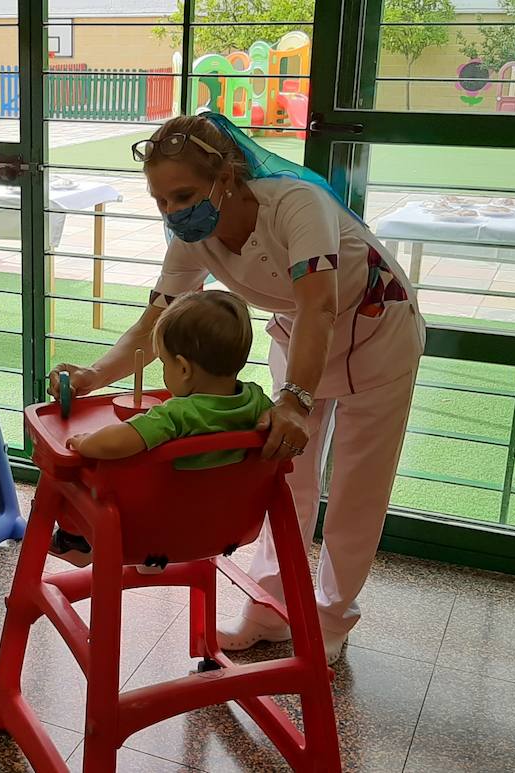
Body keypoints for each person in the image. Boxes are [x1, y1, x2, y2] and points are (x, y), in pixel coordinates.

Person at [50, 113, 425, 665]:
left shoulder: (297, 205)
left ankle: (330, 618)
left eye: (184, 195)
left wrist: (294, 399)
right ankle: (271, 609)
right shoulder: (192, 236)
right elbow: (155, 326)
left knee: (357, 487)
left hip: (377, 332)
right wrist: (92, 377)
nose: (174, 212)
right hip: (302, 337)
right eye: (161, 201)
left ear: (225, 176)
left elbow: (319, 302)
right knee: (284, 473)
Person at [49, 290, 274, 568]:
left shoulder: (178, 414)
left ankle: (73, 541)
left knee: (61, 476)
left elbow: (117, 443)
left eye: (165, 363)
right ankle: (150, 564)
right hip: (225, 527)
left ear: (183, 368)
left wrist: (85, 442)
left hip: (155, 528)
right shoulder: (257, 401)